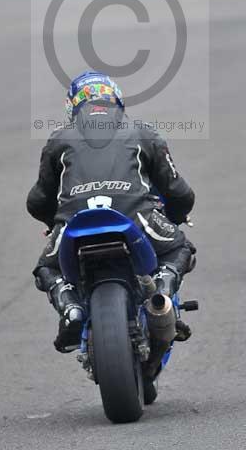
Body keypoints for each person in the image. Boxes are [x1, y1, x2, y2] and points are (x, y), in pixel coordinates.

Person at [27, 71, 196, 353]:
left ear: (73, 106)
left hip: (75, 221)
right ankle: (162, 294)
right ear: (116, 101)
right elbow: (178, 192)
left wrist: (51, 221)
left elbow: (38, 199)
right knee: (180, 248)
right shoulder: (143, 132)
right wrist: (176, 216)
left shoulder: (59, 138)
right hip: (135, 218)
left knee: (47, 267)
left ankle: (71, 309)